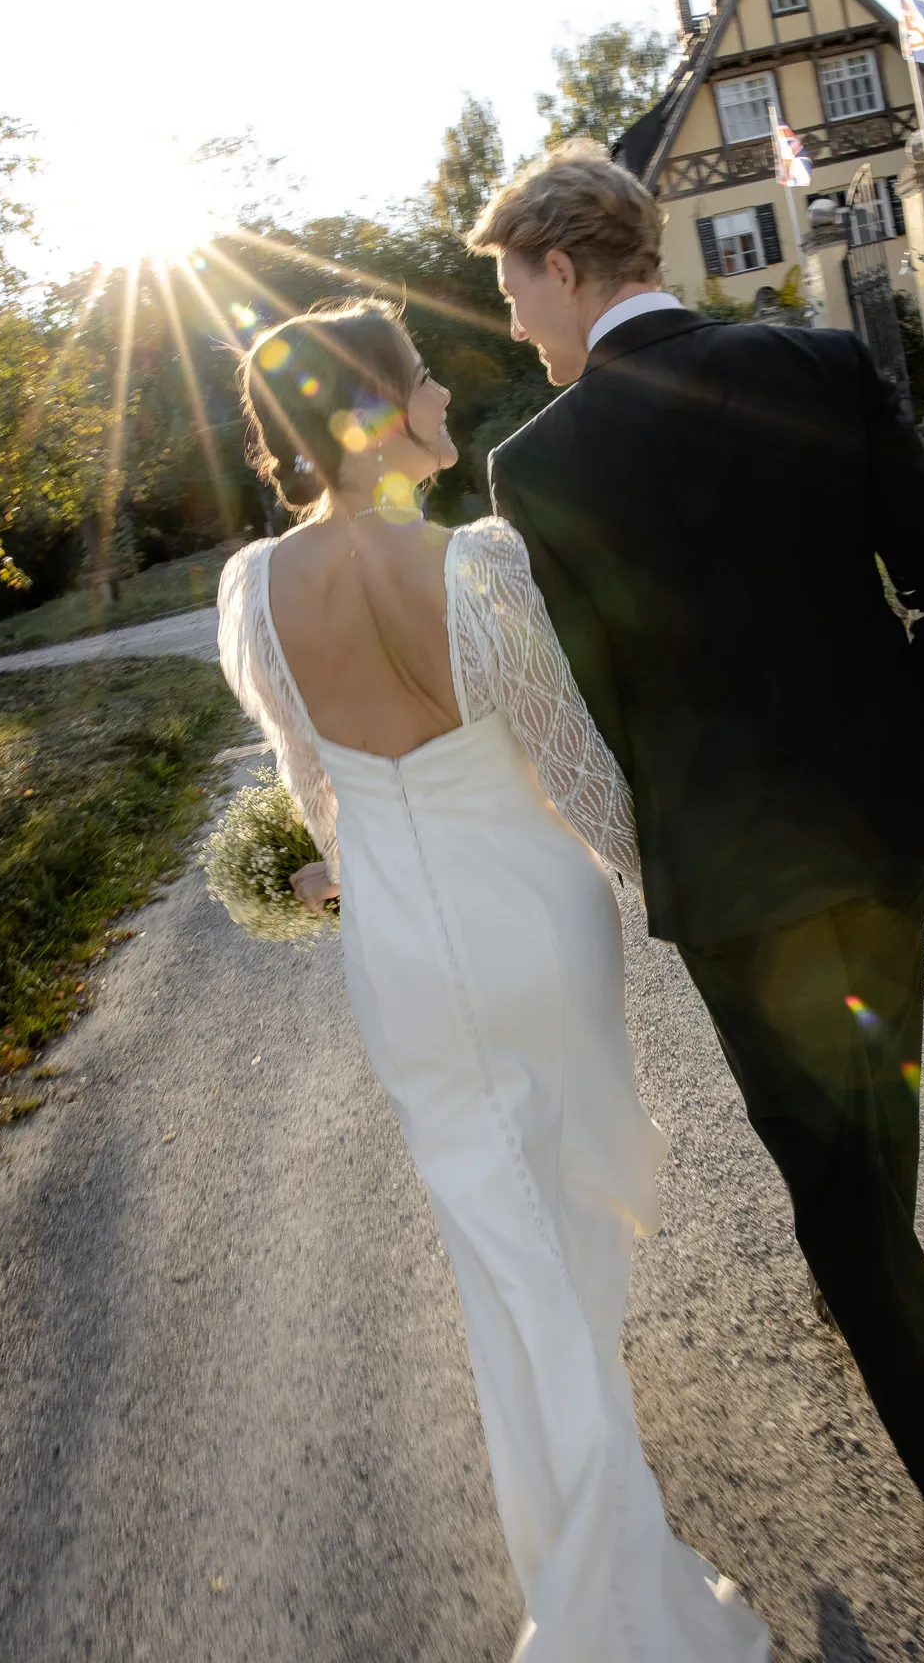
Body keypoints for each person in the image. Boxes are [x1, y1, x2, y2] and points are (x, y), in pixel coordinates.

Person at [468, 143, 924, 1629]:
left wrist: (648, 830)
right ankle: (879, 1299)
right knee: (879, 1099)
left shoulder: (539, 465)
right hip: (879, 823)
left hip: (729, 870)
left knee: (838, 1192)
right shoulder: (816, 362)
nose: (515, 319)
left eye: (513, 288)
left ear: (561, 267)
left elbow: (595, 696)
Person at [216, 302, 770, 1663]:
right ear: (374, 413)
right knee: (568, 1241)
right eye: (420, 378)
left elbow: (316, 788)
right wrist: (681, 900)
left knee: (505, 1269)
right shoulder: (478, 561)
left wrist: (339, 872)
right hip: (535, 923)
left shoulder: (253, 593)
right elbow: (573, 762)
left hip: (405, 954)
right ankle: (613, 1597)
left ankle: (591, 1574)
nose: (444, 393)